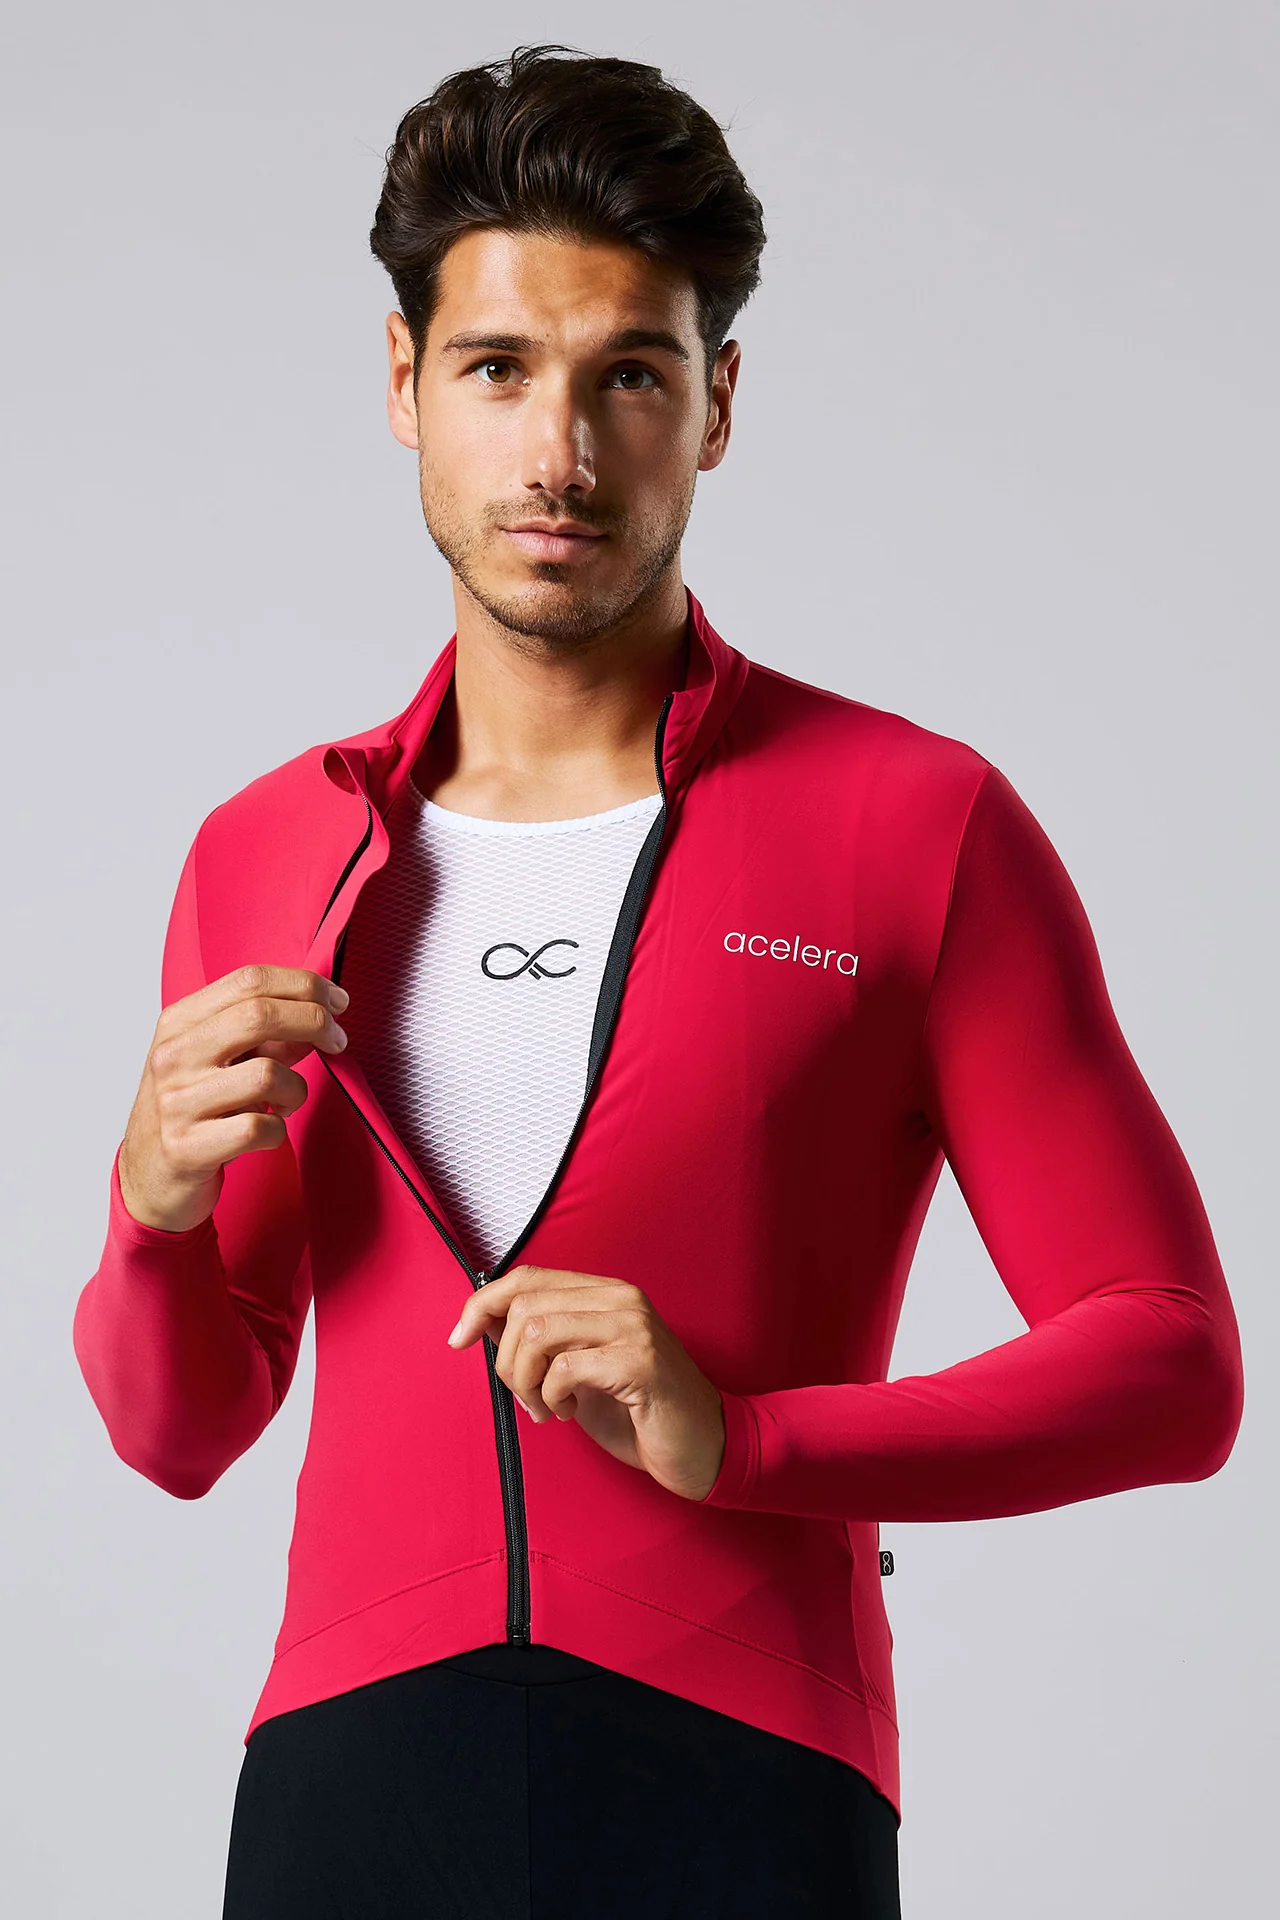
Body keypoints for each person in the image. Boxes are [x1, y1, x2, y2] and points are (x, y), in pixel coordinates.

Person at [71, 43, 1244, 1920]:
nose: (559, 453)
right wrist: (147, 1214)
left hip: (744, 1777)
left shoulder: (911, 822)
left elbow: (1170, 1360)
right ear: (404, 384)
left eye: (629, 372)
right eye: (497, 369)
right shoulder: (265, 853)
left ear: (716, 407)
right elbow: (180, 1429)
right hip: (348, 1790)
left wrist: (753, 1437)